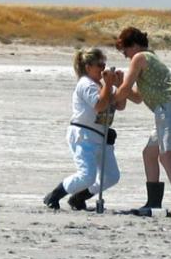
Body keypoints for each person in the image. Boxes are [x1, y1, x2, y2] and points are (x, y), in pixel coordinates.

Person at [112, 27, 171, 217]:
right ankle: (154, 201)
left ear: (133, 45)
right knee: (150, 153)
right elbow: (138, 97)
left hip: (170, 108)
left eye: (125, 51)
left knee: (166, 158)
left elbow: (125, 90)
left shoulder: (139, 58)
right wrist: (119, 86)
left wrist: (108, 98)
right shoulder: (149, 58)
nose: (125, 56)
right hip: (169, 109)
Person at [43, 48, 125, 211]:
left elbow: (120, 104)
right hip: (84, 135)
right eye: (99, 65)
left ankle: (79, 198)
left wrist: (119, 84)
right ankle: (54, 195)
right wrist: (108, 85)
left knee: (111, 176)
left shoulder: (102, 86)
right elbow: (99, 105)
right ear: (88, 67)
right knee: (87, 175)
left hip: (102, 136)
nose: (103, 68)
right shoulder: (85, 84)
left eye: (104, 64)